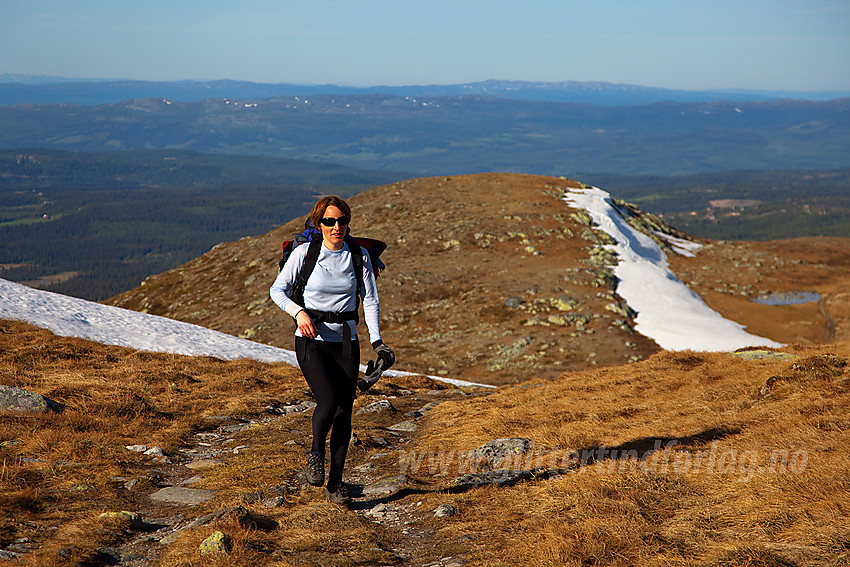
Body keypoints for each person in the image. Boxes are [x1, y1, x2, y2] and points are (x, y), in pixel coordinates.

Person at [270, 195, 394, 505]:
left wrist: (377, 341)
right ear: (319, 224)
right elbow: (277, 290)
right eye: (329, 221)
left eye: (341, 221)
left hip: (347, 343)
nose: (336, 226)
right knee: (327, 400)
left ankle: (336, 484)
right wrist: (299, 313)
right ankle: (315, 455)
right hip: (311, 341)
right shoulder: (306, 253)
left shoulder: (359, 255)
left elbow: (370, 300)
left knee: (344, 412)